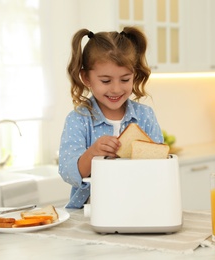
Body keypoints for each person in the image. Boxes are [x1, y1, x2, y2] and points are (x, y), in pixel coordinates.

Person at [59, 27, 163, 209]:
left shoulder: (145, 116)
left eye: (125, 80)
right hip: (89, 211)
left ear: (135, 75)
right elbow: (68, 172)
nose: (116, 89)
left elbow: (160, 166)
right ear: (86, 78)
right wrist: (93, 153)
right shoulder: (78, 119)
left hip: (138, 207)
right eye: (106, 81)